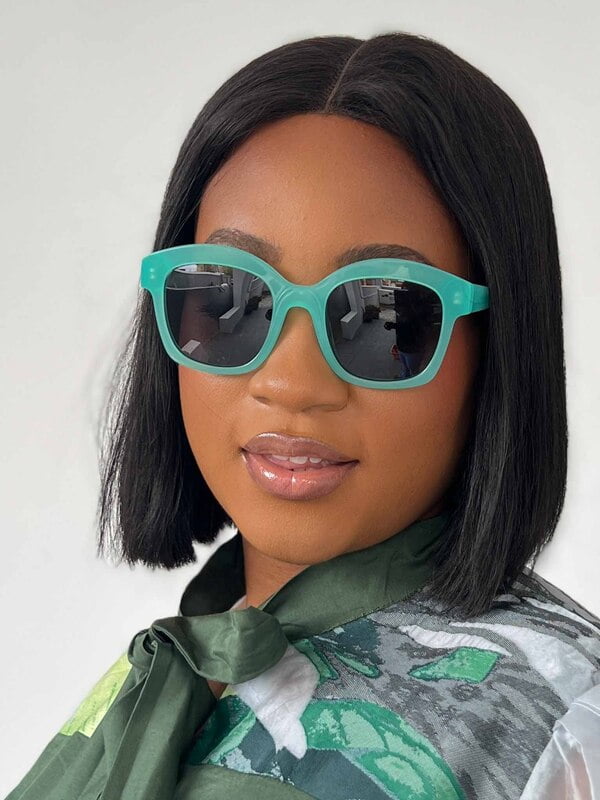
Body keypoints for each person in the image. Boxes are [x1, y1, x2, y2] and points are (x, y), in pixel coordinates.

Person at [7, 30, 600, 800]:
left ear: (498, 347)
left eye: (384, 316)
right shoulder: (167, 673)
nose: (291, 381)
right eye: (227, 299)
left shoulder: (562, 721)